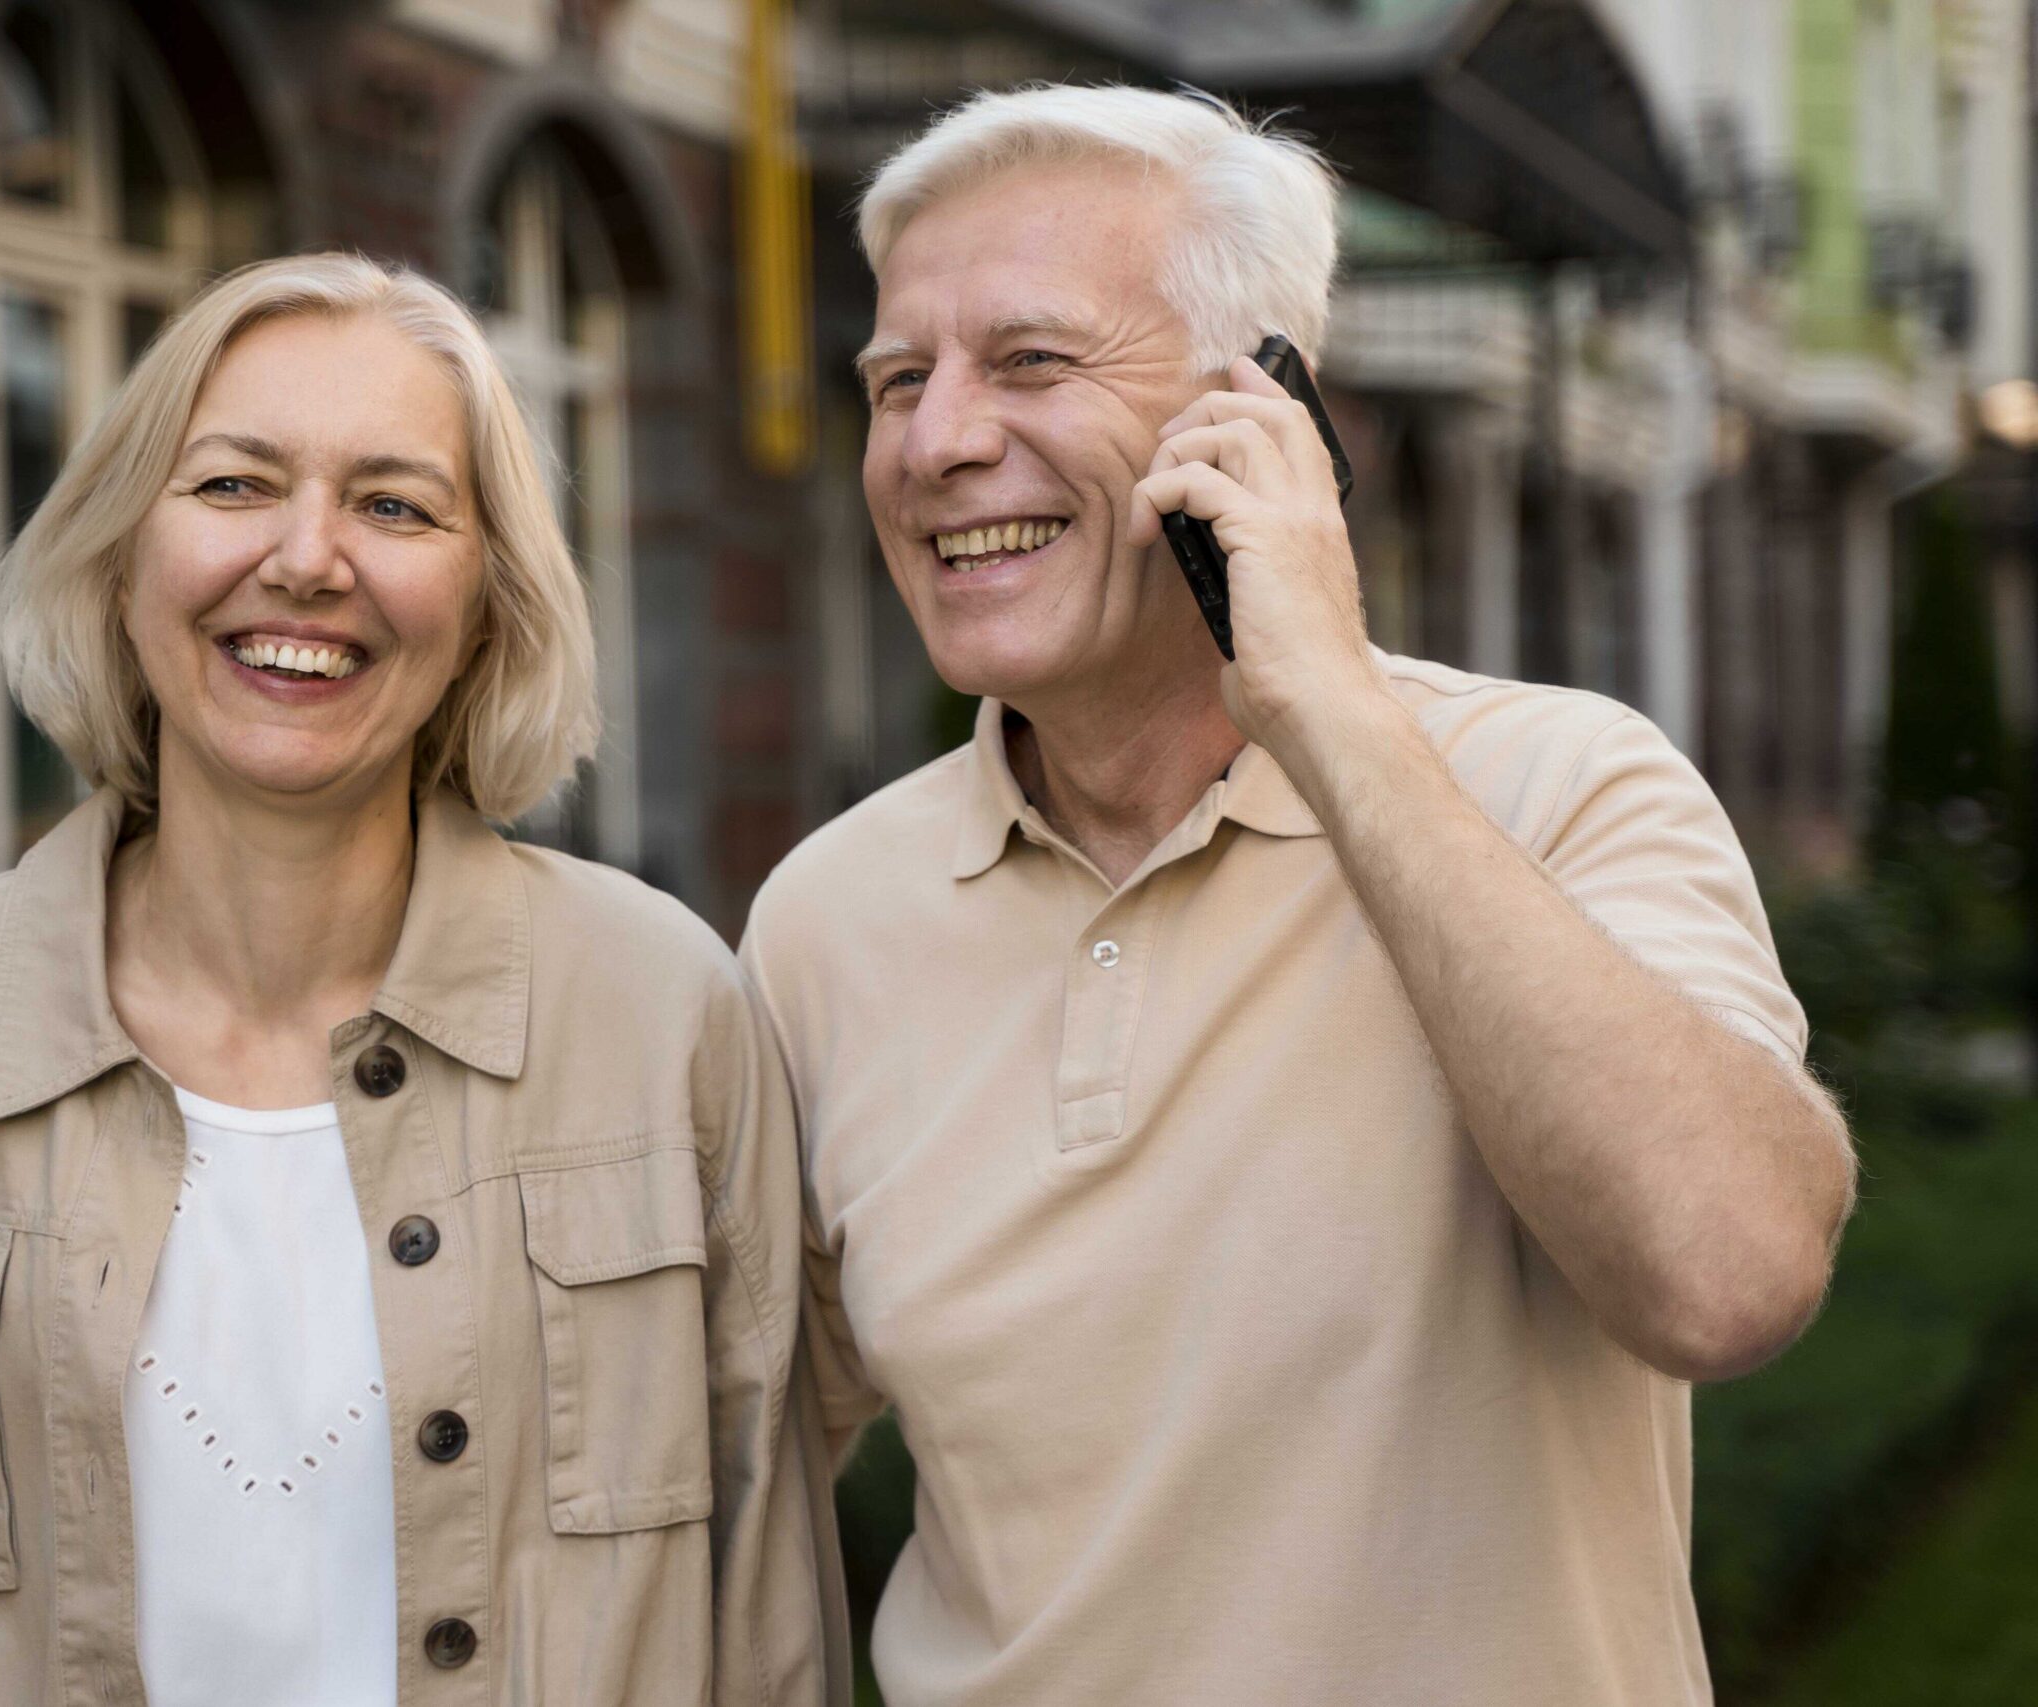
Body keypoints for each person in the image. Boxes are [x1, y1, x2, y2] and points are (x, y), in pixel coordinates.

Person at [740, 85, 1857, 1706]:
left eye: (1031, 361)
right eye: (898, 380)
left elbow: (1731, 1270)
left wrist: (1329, 708)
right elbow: (719, 1466)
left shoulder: (1562, 783)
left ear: (1261, 414)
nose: (937, 441)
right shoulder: (826, 916)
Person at [0, 252, 834, 1707]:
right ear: (122, 551)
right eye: (234, 485)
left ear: (486, 605)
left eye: (395, 505)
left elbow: (770, 1611)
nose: (310, 559)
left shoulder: (660, 1013)